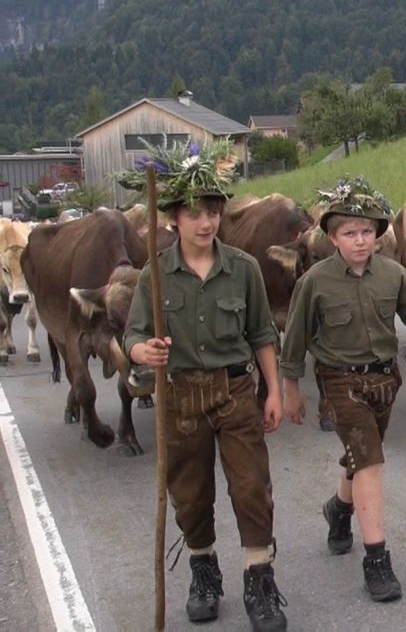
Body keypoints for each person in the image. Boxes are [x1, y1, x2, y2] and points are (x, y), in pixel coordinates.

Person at [121, 140, 289, 631]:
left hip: (235, 393)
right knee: (191, 495)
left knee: (252, 487)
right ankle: (204, 572)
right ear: (174, 218)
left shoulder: (244, 269)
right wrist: (143, 352)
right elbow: (133, 335)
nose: (206, 222)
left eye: (213, 212)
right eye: (194, 213)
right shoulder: (155, 275)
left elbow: (262, 334)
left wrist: (273, 392)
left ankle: (259, 580)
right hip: (180, 398)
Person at [279, 176, 406, 602]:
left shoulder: (393, 274)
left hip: (384, 380)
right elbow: (295, 338)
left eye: (367, 232)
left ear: (378, 236)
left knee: (361, 455)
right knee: (370, 460)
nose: (360, 240)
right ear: (333, 238)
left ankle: (339, 508)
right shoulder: (315, 281)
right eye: (350, 233)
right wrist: (290, 388)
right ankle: (377, 560)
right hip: (339, 382)